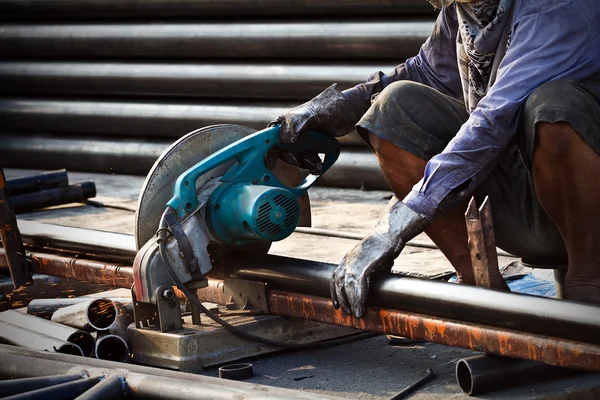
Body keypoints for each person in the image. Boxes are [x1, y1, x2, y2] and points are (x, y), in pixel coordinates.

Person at [273, 0, 600, 318]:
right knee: (395, 106)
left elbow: (492, 122)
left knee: (556, 107)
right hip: (527, 199)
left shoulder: (560, 7)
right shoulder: (467, 10)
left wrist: (391, 230)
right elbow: (424, 72)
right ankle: (481, 288)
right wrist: (330, 110)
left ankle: (588, 284)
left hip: (586, 207)